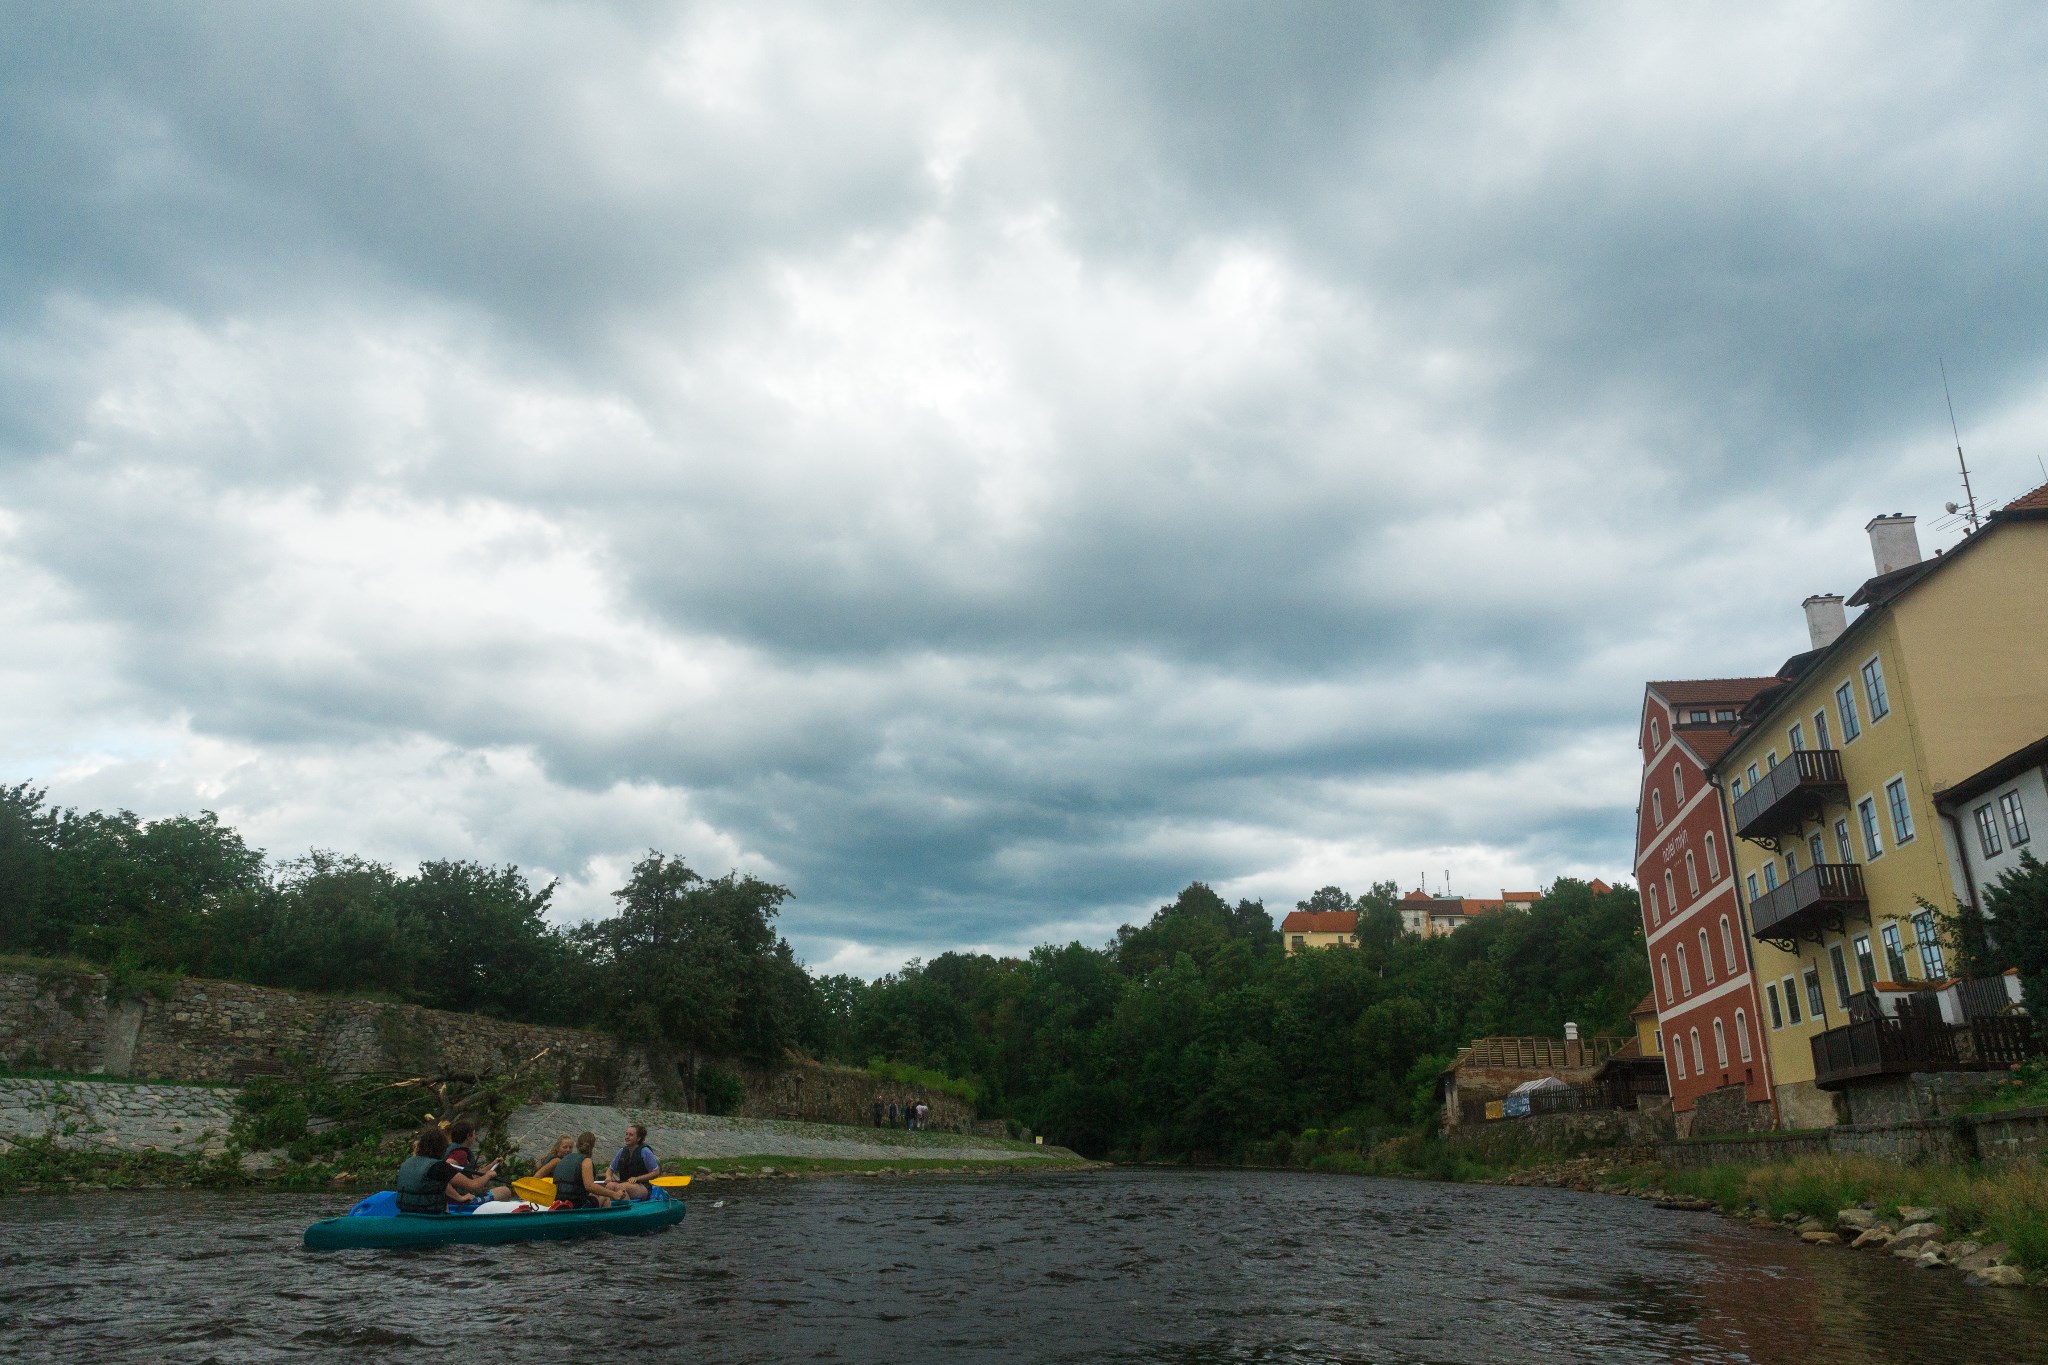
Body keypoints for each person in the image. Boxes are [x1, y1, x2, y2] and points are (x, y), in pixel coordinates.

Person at [394, 1126, 505, 1214]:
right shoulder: (439, 1167)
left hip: (406, 1211)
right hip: (430, 1215)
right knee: (505, 1191)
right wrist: (489, 1175)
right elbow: (473, 1185)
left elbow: (444, 1184)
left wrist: (459, 1198)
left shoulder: (407, 1162)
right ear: (441, 1147)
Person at [555, 1131, 626, 1209]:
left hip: (559, 1202)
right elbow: (589, 1186)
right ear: (592, 1146)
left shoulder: (563, 1160)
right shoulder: (586, 1161)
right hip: (576, 1205)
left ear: (577, 1145)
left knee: (593, 1195)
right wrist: (614, 1194)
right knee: (605, 1198)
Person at [608, 1123, 661, 1201]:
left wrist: (637, 1178)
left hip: (643, 1186)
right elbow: (610, 1169)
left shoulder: (645, 1151)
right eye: (626, 1134)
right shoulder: (622, 1151)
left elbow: (656, 1172)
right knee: (610, 1185)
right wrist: (608, 1177)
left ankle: (627, 1209)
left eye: (631, 1135)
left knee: (621, 1187)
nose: (627, 1137)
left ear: (638, 1138)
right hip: (624, 1183)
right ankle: (610, 1208)